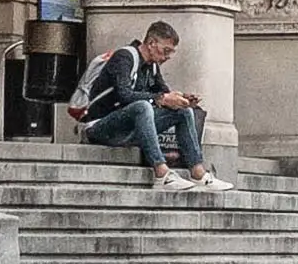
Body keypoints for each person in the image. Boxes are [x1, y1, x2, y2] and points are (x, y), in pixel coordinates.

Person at [71, 19, 209, 183]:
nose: (167, 57)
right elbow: (124, 94)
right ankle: (161, 172)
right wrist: (161, 99)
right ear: (151, 43)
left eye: (171, 52)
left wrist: (182, 99)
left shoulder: (153, 66)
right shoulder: (124, 57)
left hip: (128, 127)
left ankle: (198, 172)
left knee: (183, 112)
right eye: (165, 50)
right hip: (100, 126)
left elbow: (164, 93)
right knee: (142, 107)